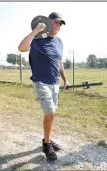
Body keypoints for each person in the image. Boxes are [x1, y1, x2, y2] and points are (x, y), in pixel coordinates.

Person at [18, 12, 69, 161]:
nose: (58, 26)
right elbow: (21, 48)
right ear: (47, 23)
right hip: (41, 81)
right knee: (50, 111)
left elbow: (59, 62)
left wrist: (65, 80)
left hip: (55, 83)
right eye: (56, 22)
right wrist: (35, 31)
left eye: (60, 24)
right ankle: (47, 145)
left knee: (51, 115)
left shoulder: (59, 42)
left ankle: (48, 139)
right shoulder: (36, 40)